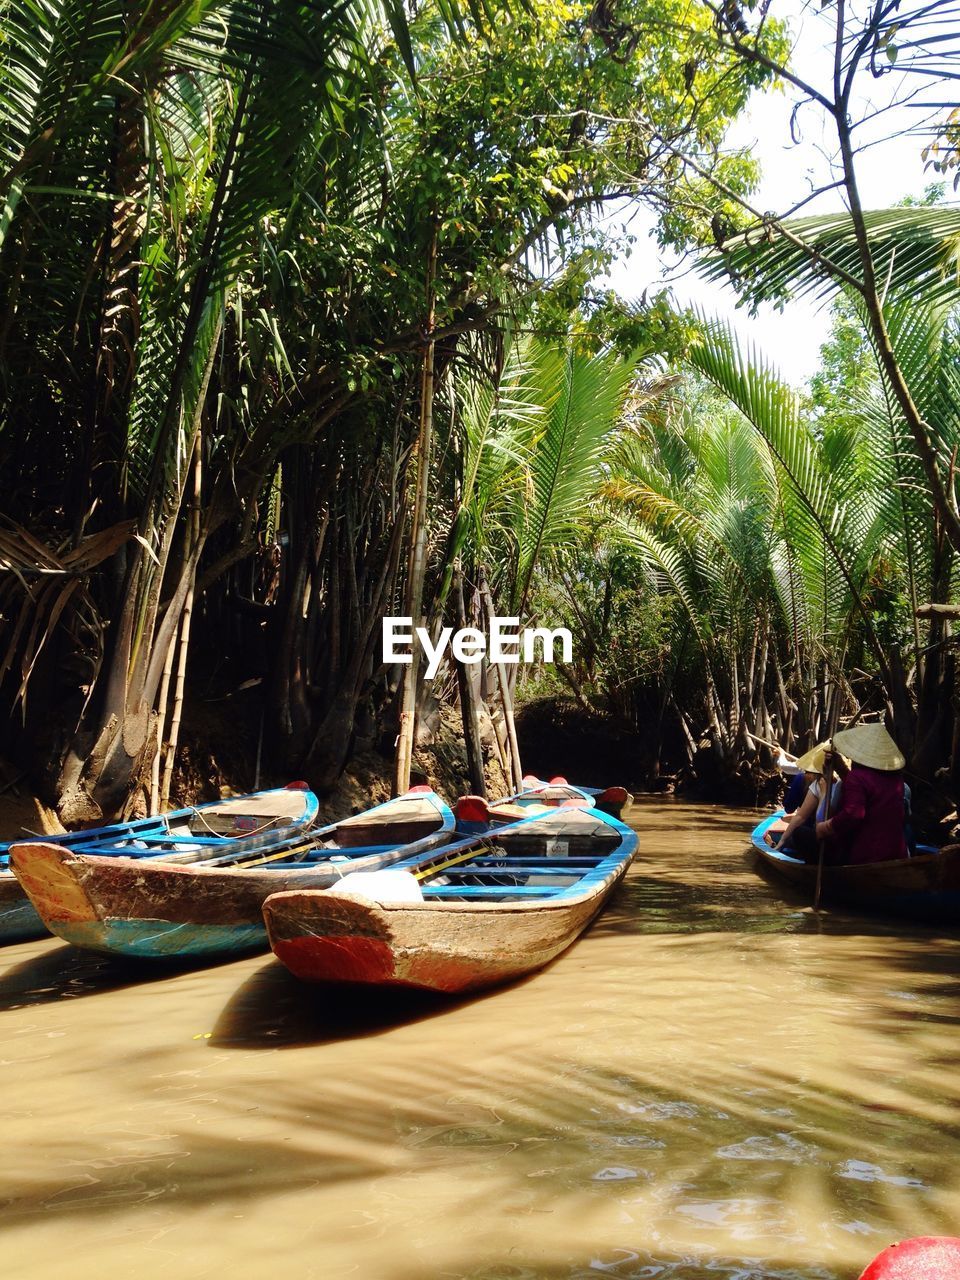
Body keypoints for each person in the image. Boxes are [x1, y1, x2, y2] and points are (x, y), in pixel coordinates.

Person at [815, 723, 908, 865]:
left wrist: (825, 828)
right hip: (896, 852)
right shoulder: (896, 779)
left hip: (865, 855)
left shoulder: (857, 777)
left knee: (801, 834)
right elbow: (867, 790)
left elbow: (853, 814)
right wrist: (841, 768)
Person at [765, 743, 841, 856]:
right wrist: (781, 843)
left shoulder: (841, 784)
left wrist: (824, 794)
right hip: (818, 831)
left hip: (835, 837)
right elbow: (800, 816)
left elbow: (821, 821)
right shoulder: (818, 783)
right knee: (798, 832)